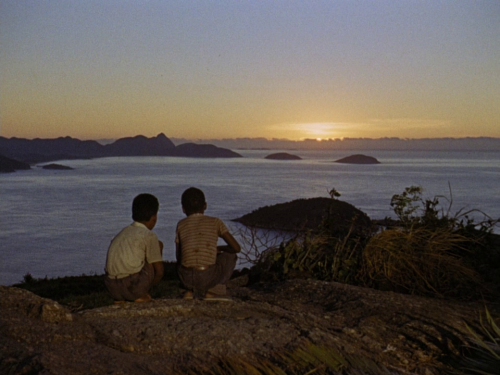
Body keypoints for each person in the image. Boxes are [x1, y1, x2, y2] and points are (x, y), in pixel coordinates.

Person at [176, 187, 241, 301]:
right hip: (207, 277)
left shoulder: (181, 224)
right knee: (230, 256)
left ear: (183, 209)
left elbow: (179, 256)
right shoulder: (215, 222)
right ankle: (215, 292)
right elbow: (236, 248)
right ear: (205, 205)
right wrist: (219, 249)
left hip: (185, 278)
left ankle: (189, 291)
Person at [104, 193, 164, 303]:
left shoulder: (122, 233)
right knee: (158, 246)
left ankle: (121, 298)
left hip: (111, 287)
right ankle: (139, 294)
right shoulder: (149, 235)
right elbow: (159, 271)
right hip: (133, 286)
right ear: (154, 217)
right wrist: (149, 285)